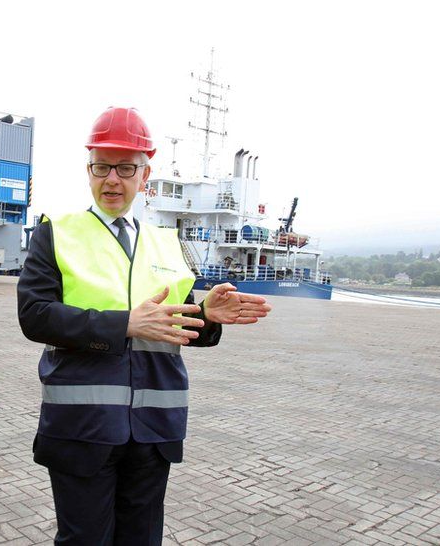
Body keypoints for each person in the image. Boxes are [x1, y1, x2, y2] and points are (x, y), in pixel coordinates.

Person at [18, 106, 272, 545]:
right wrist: (124, 324)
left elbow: (173, 321)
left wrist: (206, 315)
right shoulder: (56, 233)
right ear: (89, 169)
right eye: (102, 167)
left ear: (144, 174)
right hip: (84, 425)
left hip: (153, 426)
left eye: (125, 168)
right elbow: (35, 316)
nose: (112, 179)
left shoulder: (165, 241)